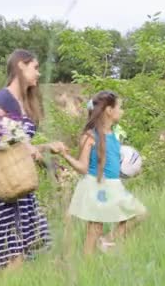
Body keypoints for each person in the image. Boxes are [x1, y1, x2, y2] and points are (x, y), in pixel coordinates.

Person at [0, 49, 64, 274]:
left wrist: (46, 151)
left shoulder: (24, 102)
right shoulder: (4, 98)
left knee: (22, 243)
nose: (38, 74)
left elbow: (21, 147)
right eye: (35, 67)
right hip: (4, 179)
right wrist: (21, 143)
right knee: (10, 246)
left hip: (21, 179)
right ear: (21, 65)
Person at [60, 91, 146, 255]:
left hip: (114, 186)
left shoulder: (114, 135)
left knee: (139, 213)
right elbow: (83, 167)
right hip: (96, 186)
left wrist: (129, 169)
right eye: (119, 107)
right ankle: (88, 269)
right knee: (94, 230)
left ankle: (108, 240)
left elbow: (114, 163)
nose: (122, 111)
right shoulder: (90, 136)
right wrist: (65, 156)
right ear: (108, 110)